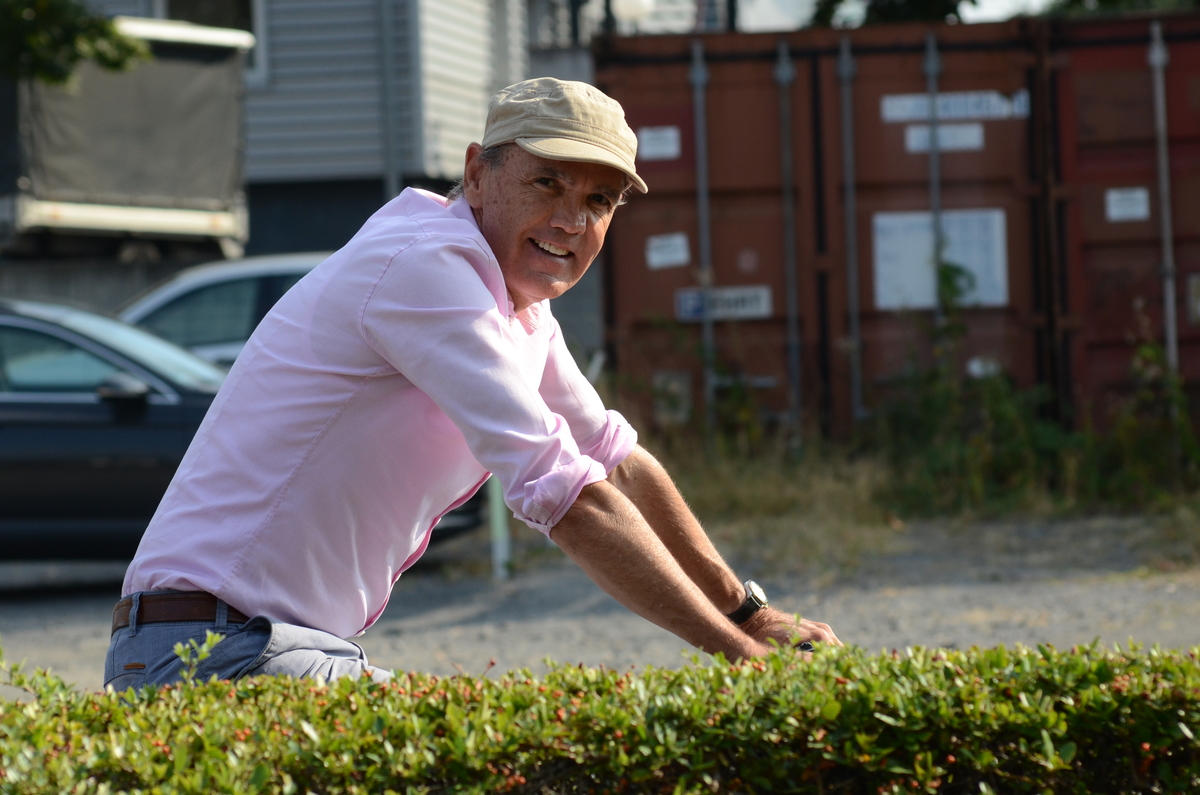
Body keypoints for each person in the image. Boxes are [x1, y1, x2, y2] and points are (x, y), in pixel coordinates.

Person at [103, 77, 840, 691]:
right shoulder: (428, 266)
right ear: (478, 173)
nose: (569, 220)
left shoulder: (516, 303)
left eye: (599, 201)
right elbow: (565, 494)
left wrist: (748, 614)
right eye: (547, 181)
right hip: (209, 650)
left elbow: (615, 458)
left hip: (261, 646)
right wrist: (745, 662)